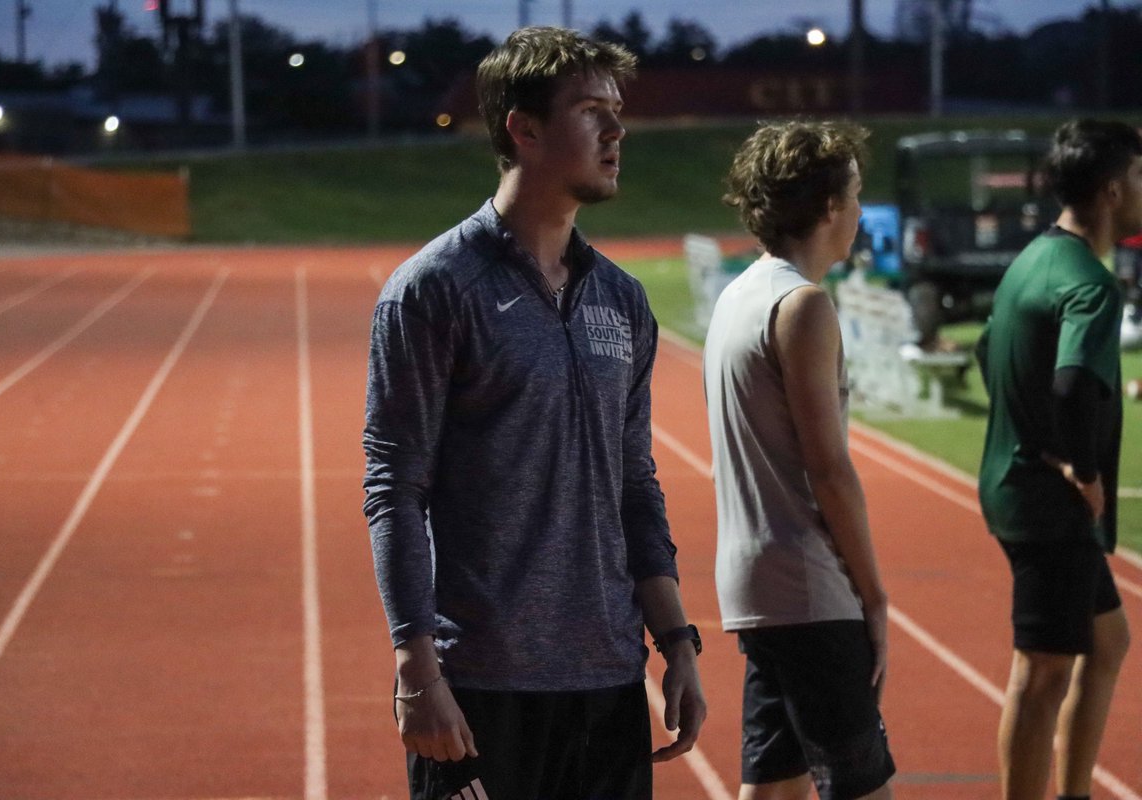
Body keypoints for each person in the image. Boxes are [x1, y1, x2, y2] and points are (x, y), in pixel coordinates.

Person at [362, 26, 706, 800]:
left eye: (617, 111)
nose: (616, 131)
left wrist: (676, 640)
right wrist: (416, 668)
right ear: (524, 129)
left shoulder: (622, 299)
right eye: (590, 110)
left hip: (608, 682)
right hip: (483, 687)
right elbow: (395, 489)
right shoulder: (433, 290)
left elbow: (634, 482)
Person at [703, 120, 896, 800]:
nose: (861, 211)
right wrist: (874, 595)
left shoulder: (738, 295)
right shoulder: (803, 305)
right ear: (829, 206)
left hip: (755, 581)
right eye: (856, 194)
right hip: (809, 584)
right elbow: (829, 469)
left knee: (774, 785)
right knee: (861, 786)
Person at [977, 118, 1138, 800]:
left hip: (1015, 479)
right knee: (1042, 670)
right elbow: (1072, 384)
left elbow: (986, 348)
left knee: (1107, 642)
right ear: (1112, 190)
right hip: (1050, 499)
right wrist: (1084, 471)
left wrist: (1026, 426)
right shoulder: (1091, 285)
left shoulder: (1033, 258)